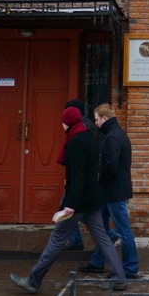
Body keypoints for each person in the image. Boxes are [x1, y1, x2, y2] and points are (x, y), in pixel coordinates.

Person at [9, 107, 128, 294]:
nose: (62, 124)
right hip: (91, 198)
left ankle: (33, 281)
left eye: (63, 121)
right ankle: (119, 277)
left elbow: (77, 176)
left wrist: (70, 205)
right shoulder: (90, 138)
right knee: (103, 238)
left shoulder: (75, 142)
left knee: (57, 239)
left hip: (78, 201)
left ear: (68, 122)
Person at [78, 103, 139, 281]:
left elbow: (110, 166)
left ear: (105, 118)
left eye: (97, 119)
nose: (95, 123)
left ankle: (130, 268)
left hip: (114, 191)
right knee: (101, 227)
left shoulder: (113, 137)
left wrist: (100, 183)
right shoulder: (116, 134)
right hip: (111, 190)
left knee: (123, 231)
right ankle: (98, 262)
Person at [62, 99, 95, 251]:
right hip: (85, 183)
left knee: (67, 209)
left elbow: (78, 168)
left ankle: (75, 240)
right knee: (90, 218)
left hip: (82, 183)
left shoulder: (80, 129)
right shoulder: (85, 126)